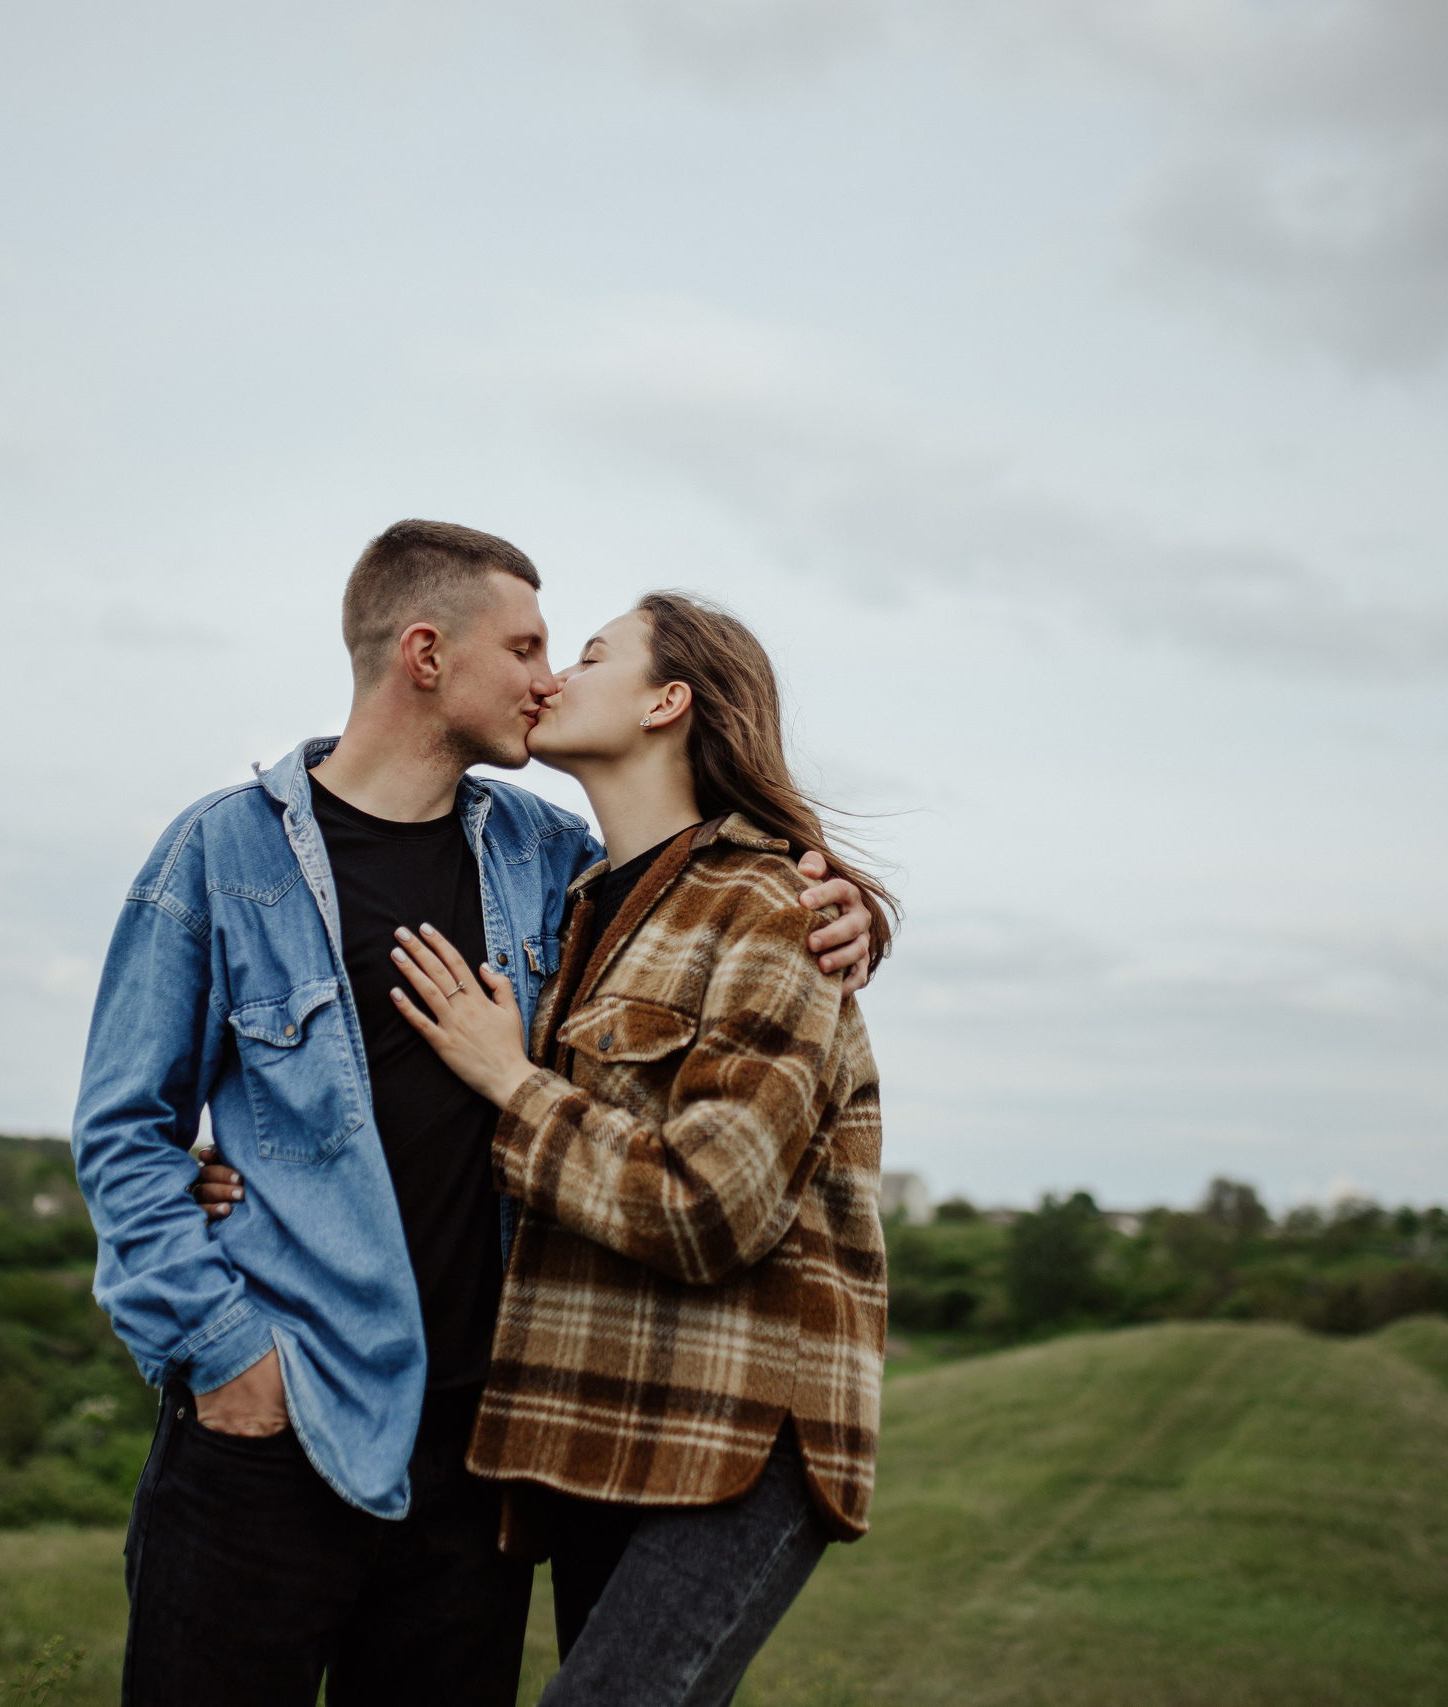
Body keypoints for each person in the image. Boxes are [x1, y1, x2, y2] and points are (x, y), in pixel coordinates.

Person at [72, 522, 874, 1707]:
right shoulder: (221, 855)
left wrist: (844, 910)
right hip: (276, 1419)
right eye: (527, 648)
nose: (547, 678)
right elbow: (123, 1133)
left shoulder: (549, 859)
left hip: (478, 1458)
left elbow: (707, 901)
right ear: (425, 653)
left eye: (568, 653)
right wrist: (223, 1353)